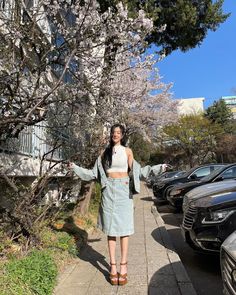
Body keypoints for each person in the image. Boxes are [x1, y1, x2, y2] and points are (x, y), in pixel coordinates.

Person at [67, 124, 166, 286]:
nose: (115, 134)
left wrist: (158, 168)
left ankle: (123, 266)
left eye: (118, 132)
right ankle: (113, 267)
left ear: (122, 135)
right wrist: (75, 168)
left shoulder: (128, 151)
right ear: (111, 134)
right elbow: (93, 174)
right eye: (113, 132)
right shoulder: (103, 153)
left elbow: (138, 172)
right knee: (111, 230)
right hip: (108, 190)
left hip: (124, 190)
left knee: (124, 230)